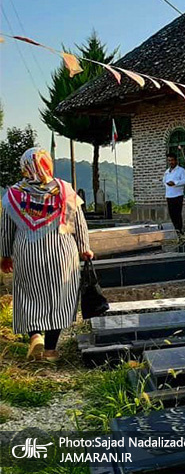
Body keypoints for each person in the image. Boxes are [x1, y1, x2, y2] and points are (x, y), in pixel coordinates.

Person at [0, 148, 93, 362]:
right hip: (62, 252)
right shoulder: (65, 190)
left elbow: (6, 228)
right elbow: (78, 222)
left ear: (25, 167)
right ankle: (51, 350)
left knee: (28, 296)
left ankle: (35, 336)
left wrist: (5, 255)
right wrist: (84, 248)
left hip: (27, 251)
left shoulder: (13, 194)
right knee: (59, 298)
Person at [163, 153, 185, 233]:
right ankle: (175, 231)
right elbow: (164, 181)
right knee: (172, 215)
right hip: (169, 196)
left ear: (176, 160)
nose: (171, 162)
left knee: (177, 214)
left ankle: (180, 231)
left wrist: (175, 183)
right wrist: (167, 184)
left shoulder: (181, 170)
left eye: (172, 160)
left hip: (178, 196)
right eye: (169, 160)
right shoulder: (167, 172)